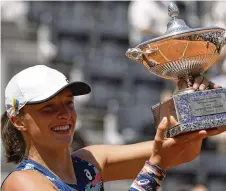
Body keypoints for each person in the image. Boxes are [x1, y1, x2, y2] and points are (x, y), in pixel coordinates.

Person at [1, 65, 225, 191]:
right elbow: (162, 159)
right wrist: (156, 167)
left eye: (68, 103)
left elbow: (183, 151)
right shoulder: (22, 183)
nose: (65, 114)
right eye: (48, 108)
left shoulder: (90, 162)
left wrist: (199, 106)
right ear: (18, 121)